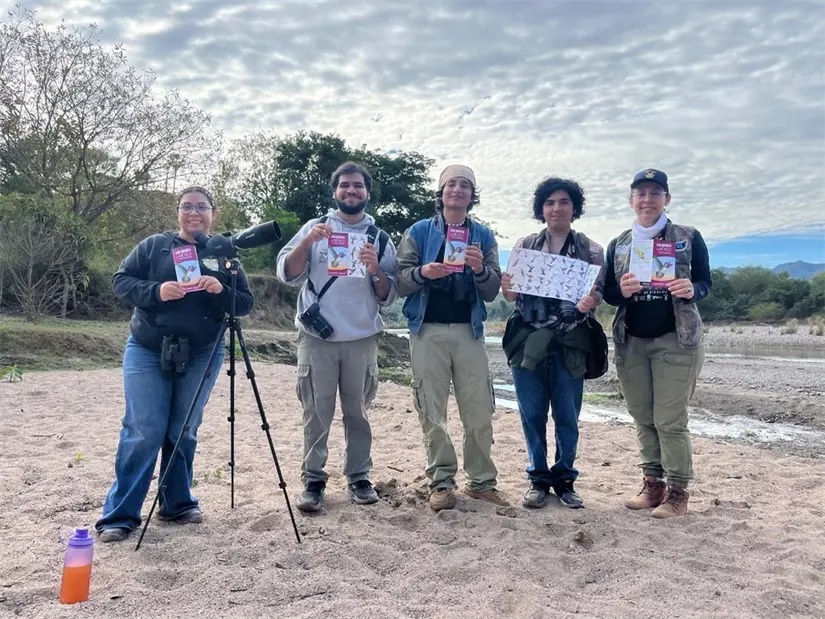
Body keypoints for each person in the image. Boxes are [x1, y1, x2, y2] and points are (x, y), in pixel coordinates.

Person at [95, 186, 254, 543]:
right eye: (187, 207)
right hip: (148, 347)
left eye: (201, 207)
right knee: (143, 428)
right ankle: (120, 515)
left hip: (202, 351)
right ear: (177, 212)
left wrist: (220, 290)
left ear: (214, 212)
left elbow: (244, 304)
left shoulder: (224, 252)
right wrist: (156, 291)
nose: (193, 213)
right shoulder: (154, 246)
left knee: (184, 427)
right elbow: (121, 281)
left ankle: (177, 503)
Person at [277, 161, 398, 512]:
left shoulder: (380, 237)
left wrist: (375, 269)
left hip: (361, 337)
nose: (351, 191)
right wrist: (307, 243)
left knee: (358, 411)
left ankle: (359, 476)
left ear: (366, 193)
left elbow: (388, 295)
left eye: (358, 186)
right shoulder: (314, 228)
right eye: (344, 185)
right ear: (335, 192)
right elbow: (287, 273)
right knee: (316, 411)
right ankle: (313, 480)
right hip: (317, 337)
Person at [396, 164, 508, 511]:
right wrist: (423, 272)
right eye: (451, 184)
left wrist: (479, 269)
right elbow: (399, 281)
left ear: (473, 196)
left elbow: (492, 291)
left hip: (469, 331)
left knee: (478, 408)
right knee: (432, 408)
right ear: (440, 192)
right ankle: (441, 482)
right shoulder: (418, 231)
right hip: (426, 329)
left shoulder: (485, 237)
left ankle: (481, 481)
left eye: (465, 185)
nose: (457, 190)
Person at [603, 169, 711, 519]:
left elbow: (705, 281)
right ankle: (653, 484)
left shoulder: (688, 237)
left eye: (655, 192)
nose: (647, 199)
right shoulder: (618, 243)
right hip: (631, 340)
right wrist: (622, 291)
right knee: (642, 417)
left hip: (676, 340)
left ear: (667, 198)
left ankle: (678, 491)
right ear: (630, 200)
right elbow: (608, 294)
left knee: (670, 419)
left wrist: (693, 289)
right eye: (640, 193)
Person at [500, 177, 605, 509]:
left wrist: (591, 302)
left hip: (570, 341)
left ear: (575, 208)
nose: (556, 208)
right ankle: (538, 479)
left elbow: (597, 293)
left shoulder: (592, 250)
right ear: (540, 209)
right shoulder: (525, 246)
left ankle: (565, 480)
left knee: (567, 416)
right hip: (528, 338)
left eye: (563, 202)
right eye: (549, 202)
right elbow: (512, 296)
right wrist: (506, 286)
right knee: (531, 414)